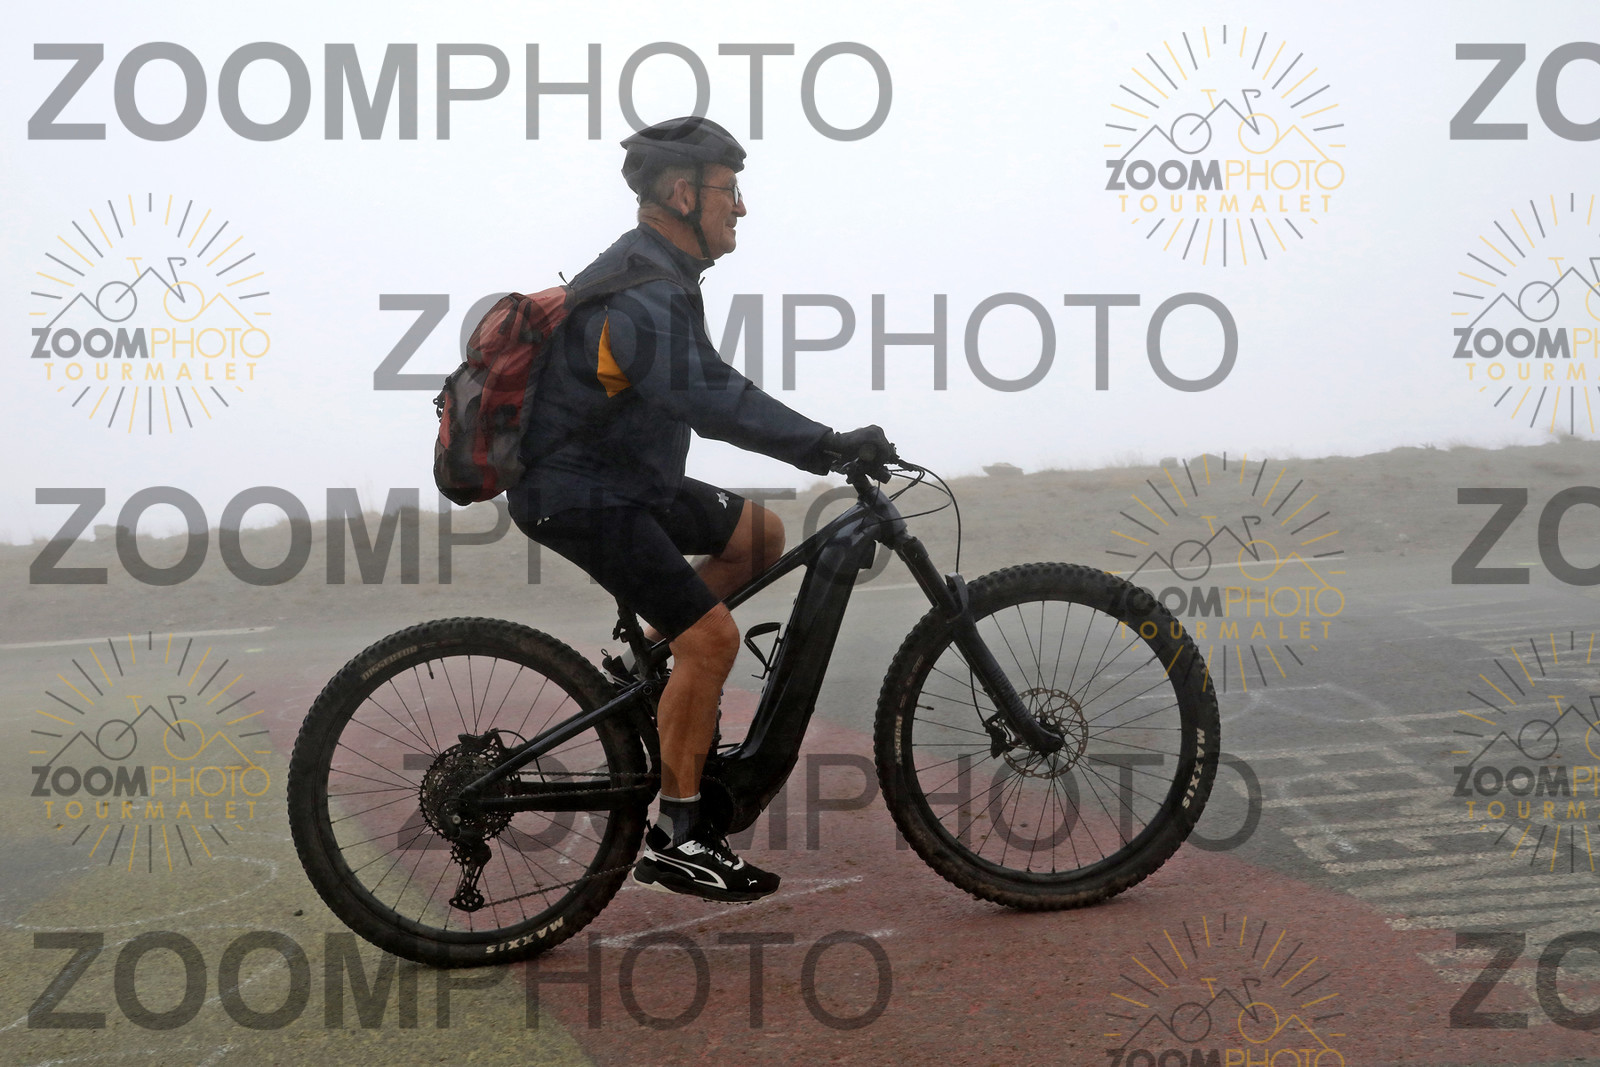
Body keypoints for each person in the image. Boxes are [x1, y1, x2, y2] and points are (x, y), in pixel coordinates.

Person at [507, 115, 894, 903]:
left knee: (759, 536)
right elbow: (712, 399)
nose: (741, 207)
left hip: (626, 478)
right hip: (581, 492)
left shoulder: (658, 273)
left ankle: (647, 672)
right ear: (684, 195)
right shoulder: (642, 292)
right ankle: (679, 835)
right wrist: (825, 444)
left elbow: (704, 390)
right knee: (711, 639)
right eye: (730, 190)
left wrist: (817, 445)